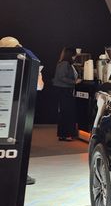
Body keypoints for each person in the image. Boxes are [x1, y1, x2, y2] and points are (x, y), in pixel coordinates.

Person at [0, 36, 43, 185]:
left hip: (7, 108)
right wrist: (38, 73)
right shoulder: (26, 62)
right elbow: (39, 86)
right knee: (16, 143)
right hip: (17, 109)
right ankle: (19, 175)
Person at [53, 47, 80, 141]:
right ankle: (66, 134)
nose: (75, 57)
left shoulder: (64, 63)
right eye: (74, 55)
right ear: (70, 55)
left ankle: (63, 134)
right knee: (67, 112)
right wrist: (74, 82)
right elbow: (62, 77)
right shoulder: (65, 64)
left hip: (64, 90)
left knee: (65, 112)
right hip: (65, 91)